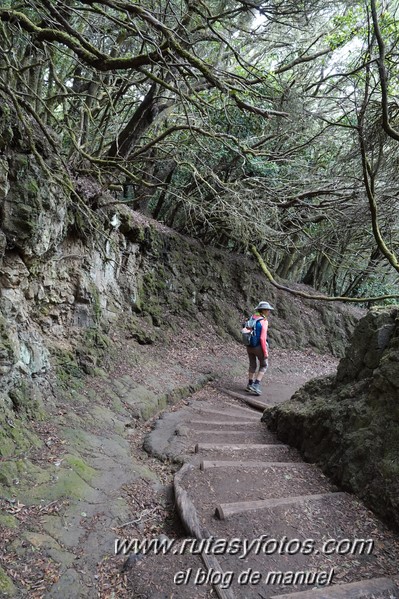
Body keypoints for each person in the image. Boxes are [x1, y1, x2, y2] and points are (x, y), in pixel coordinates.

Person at [245, 301, 274, 396]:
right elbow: (262, 338)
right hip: (258, 347)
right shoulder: (264, 321)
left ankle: (249, 384)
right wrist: (265, 352)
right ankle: (256, 385)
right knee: (264, 365)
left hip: (249, 346)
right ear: (264, 310)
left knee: (252, 365)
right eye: (268, 310)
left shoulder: (252, 317)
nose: (269, 312)